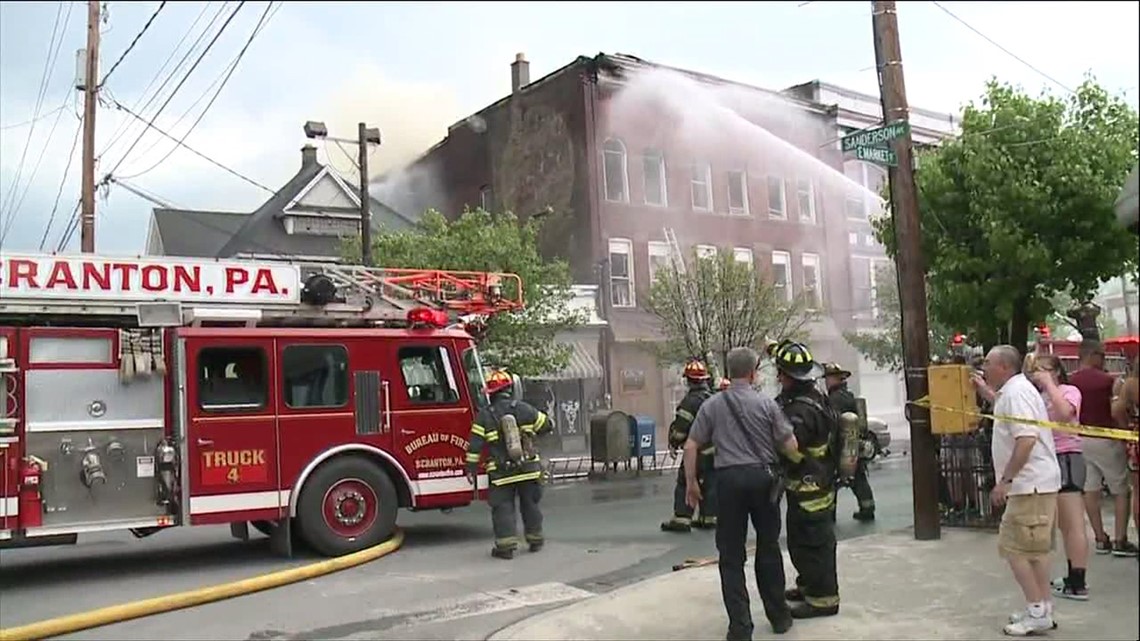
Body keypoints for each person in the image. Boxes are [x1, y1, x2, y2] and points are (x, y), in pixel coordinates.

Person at [684, 346, 800, 640]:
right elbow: (791, 446)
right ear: (752, 373)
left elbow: (690, 446)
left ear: (729, 371)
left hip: (729, 481)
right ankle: (779, 617)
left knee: (731, 556)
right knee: (768, 547)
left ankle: (740, 627)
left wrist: (692, 484)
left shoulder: (712, 406)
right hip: (763, 479)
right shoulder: (766, 404)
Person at [972, 345, 1061, 636]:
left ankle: (1037, 610)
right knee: (1035, 550)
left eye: (988, 363)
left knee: (1015, 549)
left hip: (1029, 485)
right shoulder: (1013, 392)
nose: (983, 367)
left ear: (1005, 367)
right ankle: (1042, 607)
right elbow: (1004, 406)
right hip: (1036, 484)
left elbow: (1026, 439)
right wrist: (985, 390)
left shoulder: (1017, 393)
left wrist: (1005, 481)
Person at [772, 341, 841, 619]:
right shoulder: (813, 395)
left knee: (812, 544)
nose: (778, 378)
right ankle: (809, 585)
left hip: (809, 486)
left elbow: (792, 448)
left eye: (781, 373)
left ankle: (823, 600)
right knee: (803, 542)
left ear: (788, 377)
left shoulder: (799, 411)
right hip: (814, 483)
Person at [465, 369, 553, 560]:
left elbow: (475, 446)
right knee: (530, 505)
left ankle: (505, 548)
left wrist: (470, 469)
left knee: (503, 508)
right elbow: (547, 425)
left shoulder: (484, 416)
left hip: (501, 473)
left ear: (490, 394)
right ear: (510, 390)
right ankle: (535, 540)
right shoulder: (525, 408)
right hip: (529, 470)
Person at [1069, 340, 1138, 557]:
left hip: (1081, 439)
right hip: (1107, 438)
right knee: (1120, 489)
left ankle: (1100, 538)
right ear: (1093, 355)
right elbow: (1116, 410)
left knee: (1091, 489)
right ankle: (1120, 539)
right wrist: (1123, 433)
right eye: (1102, 355)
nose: (1104, 360)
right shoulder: (1110, 381)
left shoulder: (1071, 382)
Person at [1030, 354, 1090, 600]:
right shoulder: (1039, 396)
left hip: (1068, 457)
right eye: (1036, 370)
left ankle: (1078, 580)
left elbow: (1066, 414)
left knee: (1074, 522)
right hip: (1048, 458)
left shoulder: (1068, 390)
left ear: (1056, 371)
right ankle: (1071, 573)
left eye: (1044, 369)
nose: (1039, 374)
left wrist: (1050, 385)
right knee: (1064, 525)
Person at [662, 359, 717, 532]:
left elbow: (680, 430)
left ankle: (682, 518)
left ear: (688, 380)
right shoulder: (713, 399)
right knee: (710, 483)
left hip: (696, 451)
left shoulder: (689, 402)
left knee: (686, 480)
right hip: (715, 451)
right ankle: (708, 518)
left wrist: (675, 441)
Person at [823, 362, 876, 522]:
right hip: (853, 446)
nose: (827, 381)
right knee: (858, 478)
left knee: (830, 482)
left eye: (829, 378)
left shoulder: (834, 399)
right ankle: (867, 509)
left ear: (837, 379)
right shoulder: (849, 396)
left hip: (839, 447)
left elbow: (832, 423)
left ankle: (829, 515)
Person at [1111, 357, 1139, 547]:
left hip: (1136, 442)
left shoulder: (1130, 385)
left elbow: (1117, 410)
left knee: (1137, 492)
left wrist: (1126, 431)